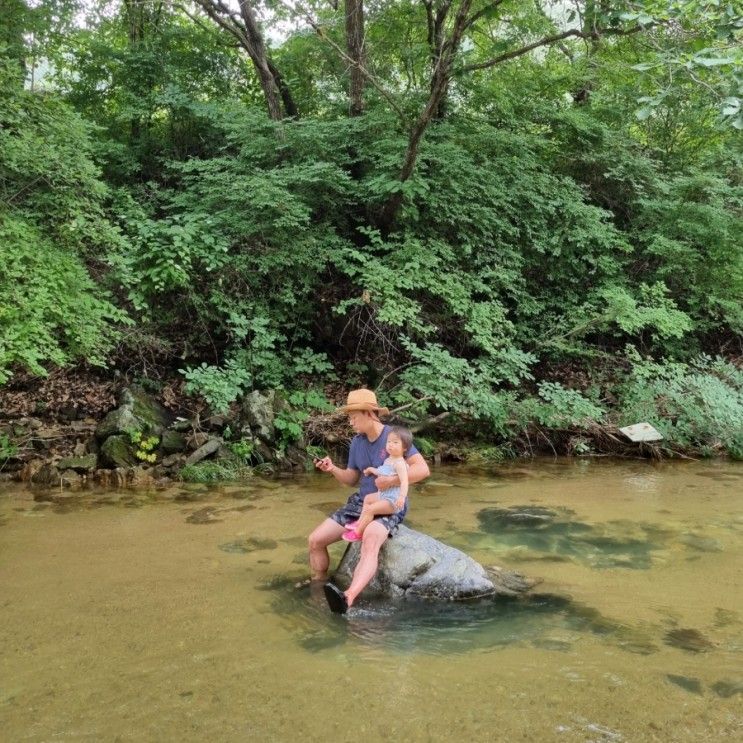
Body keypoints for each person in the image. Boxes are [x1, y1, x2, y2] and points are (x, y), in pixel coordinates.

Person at [310, 389, 430, 613]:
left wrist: (392, 481)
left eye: (353, 416)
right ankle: (318, 587)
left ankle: (348, 596)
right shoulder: (357, 442)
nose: (350, 422)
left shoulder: (394, 437)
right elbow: (351, 479)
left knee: (371, 540)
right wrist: (332, 468)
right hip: (361, 501)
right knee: (315, 540)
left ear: (369, 413)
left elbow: (422, 470)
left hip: (389, 503)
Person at [341, 426, 412, 542]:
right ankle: (359, 522)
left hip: (392, 500)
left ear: (405, 448)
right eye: (388, 442)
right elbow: (381, 471)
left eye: (395, 442)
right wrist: (370, 469)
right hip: (383, 495)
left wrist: (402, 497)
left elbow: (404, 481)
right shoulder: (389, 459)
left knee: (370, 509)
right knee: (368, 498)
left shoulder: (400, 463)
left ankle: (358, 533)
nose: (390, 445)